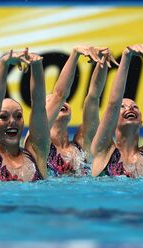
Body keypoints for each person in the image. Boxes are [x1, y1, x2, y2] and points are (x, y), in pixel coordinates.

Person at [0, 49, 49, 182]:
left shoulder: (36, 153)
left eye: (18, 116)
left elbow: (39, 106)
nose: (12, 121)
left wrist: (36, 66)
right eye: (3, 117)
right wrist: (4, 64)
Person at [91, 43, 143, 177]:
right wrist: (126, 56)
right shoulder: (103, 150)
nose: (130, 108)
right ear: (112, 120)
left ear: (141, 121)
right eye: (122, 107)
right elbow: (113, 104)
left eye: (135, 107)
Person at [46, 46, 117, 176]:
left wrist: (103, 62)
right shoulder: (38, 141)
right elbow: (59, 95)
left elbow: (93, 97)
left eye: (64, 102)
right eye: (51, 103)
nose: (62, 103)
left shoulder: (81, 145)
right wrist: (75, 54)